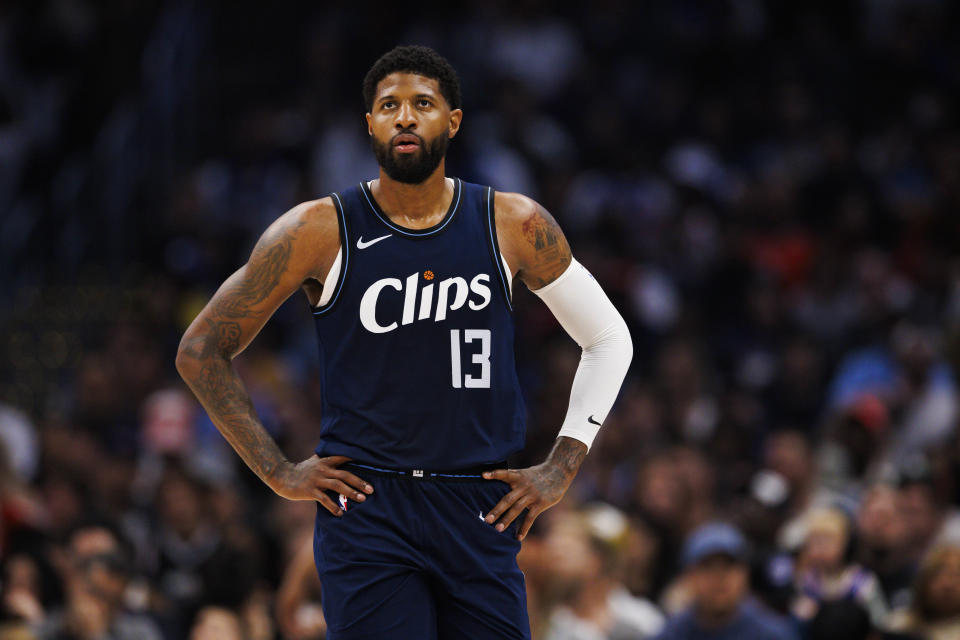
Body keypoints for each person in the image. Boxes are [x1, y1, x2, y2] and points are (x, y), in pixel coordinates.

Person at [175, 45, 632, 639]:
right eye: (389, 105)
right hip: (369, 508)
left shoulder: (513, 223)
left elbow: (607, 337)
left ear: (454, 120)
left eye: (423, 103)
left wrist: (563, 466)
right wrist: (278, 472)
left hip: (480, 504)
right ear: (370, 124)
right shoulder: (317, 230)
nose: (406, 117)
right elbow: (200, 350)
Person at [655, 522, 799, 640]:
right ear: (689, 577)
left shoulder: (773, 634)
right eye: (708, 568)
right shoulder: (673, 633)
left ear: (745, 574)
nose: (719, 578)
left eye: (728, 567)